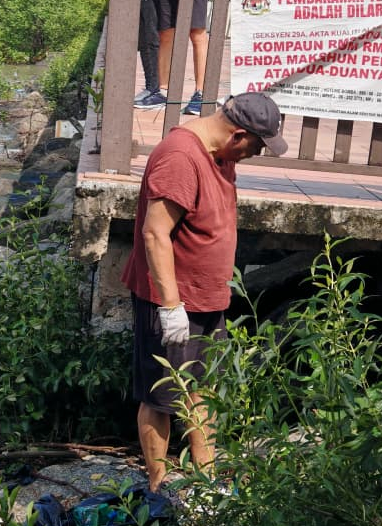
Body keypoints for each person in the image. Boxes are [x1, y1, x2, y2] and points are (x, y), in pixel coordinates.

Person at [120, 92, 287, 492]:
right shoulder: (180, 157)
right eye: (258, 146)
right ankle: (158, 489)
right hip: (174, 300)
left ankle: (206, 480)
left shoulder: (222, 155)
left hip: (208, 297)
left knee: (203, 387)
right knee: (161, 394)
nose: (257, 154)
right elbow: (155, 233)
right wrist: (170, 307)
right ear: (238, 135)